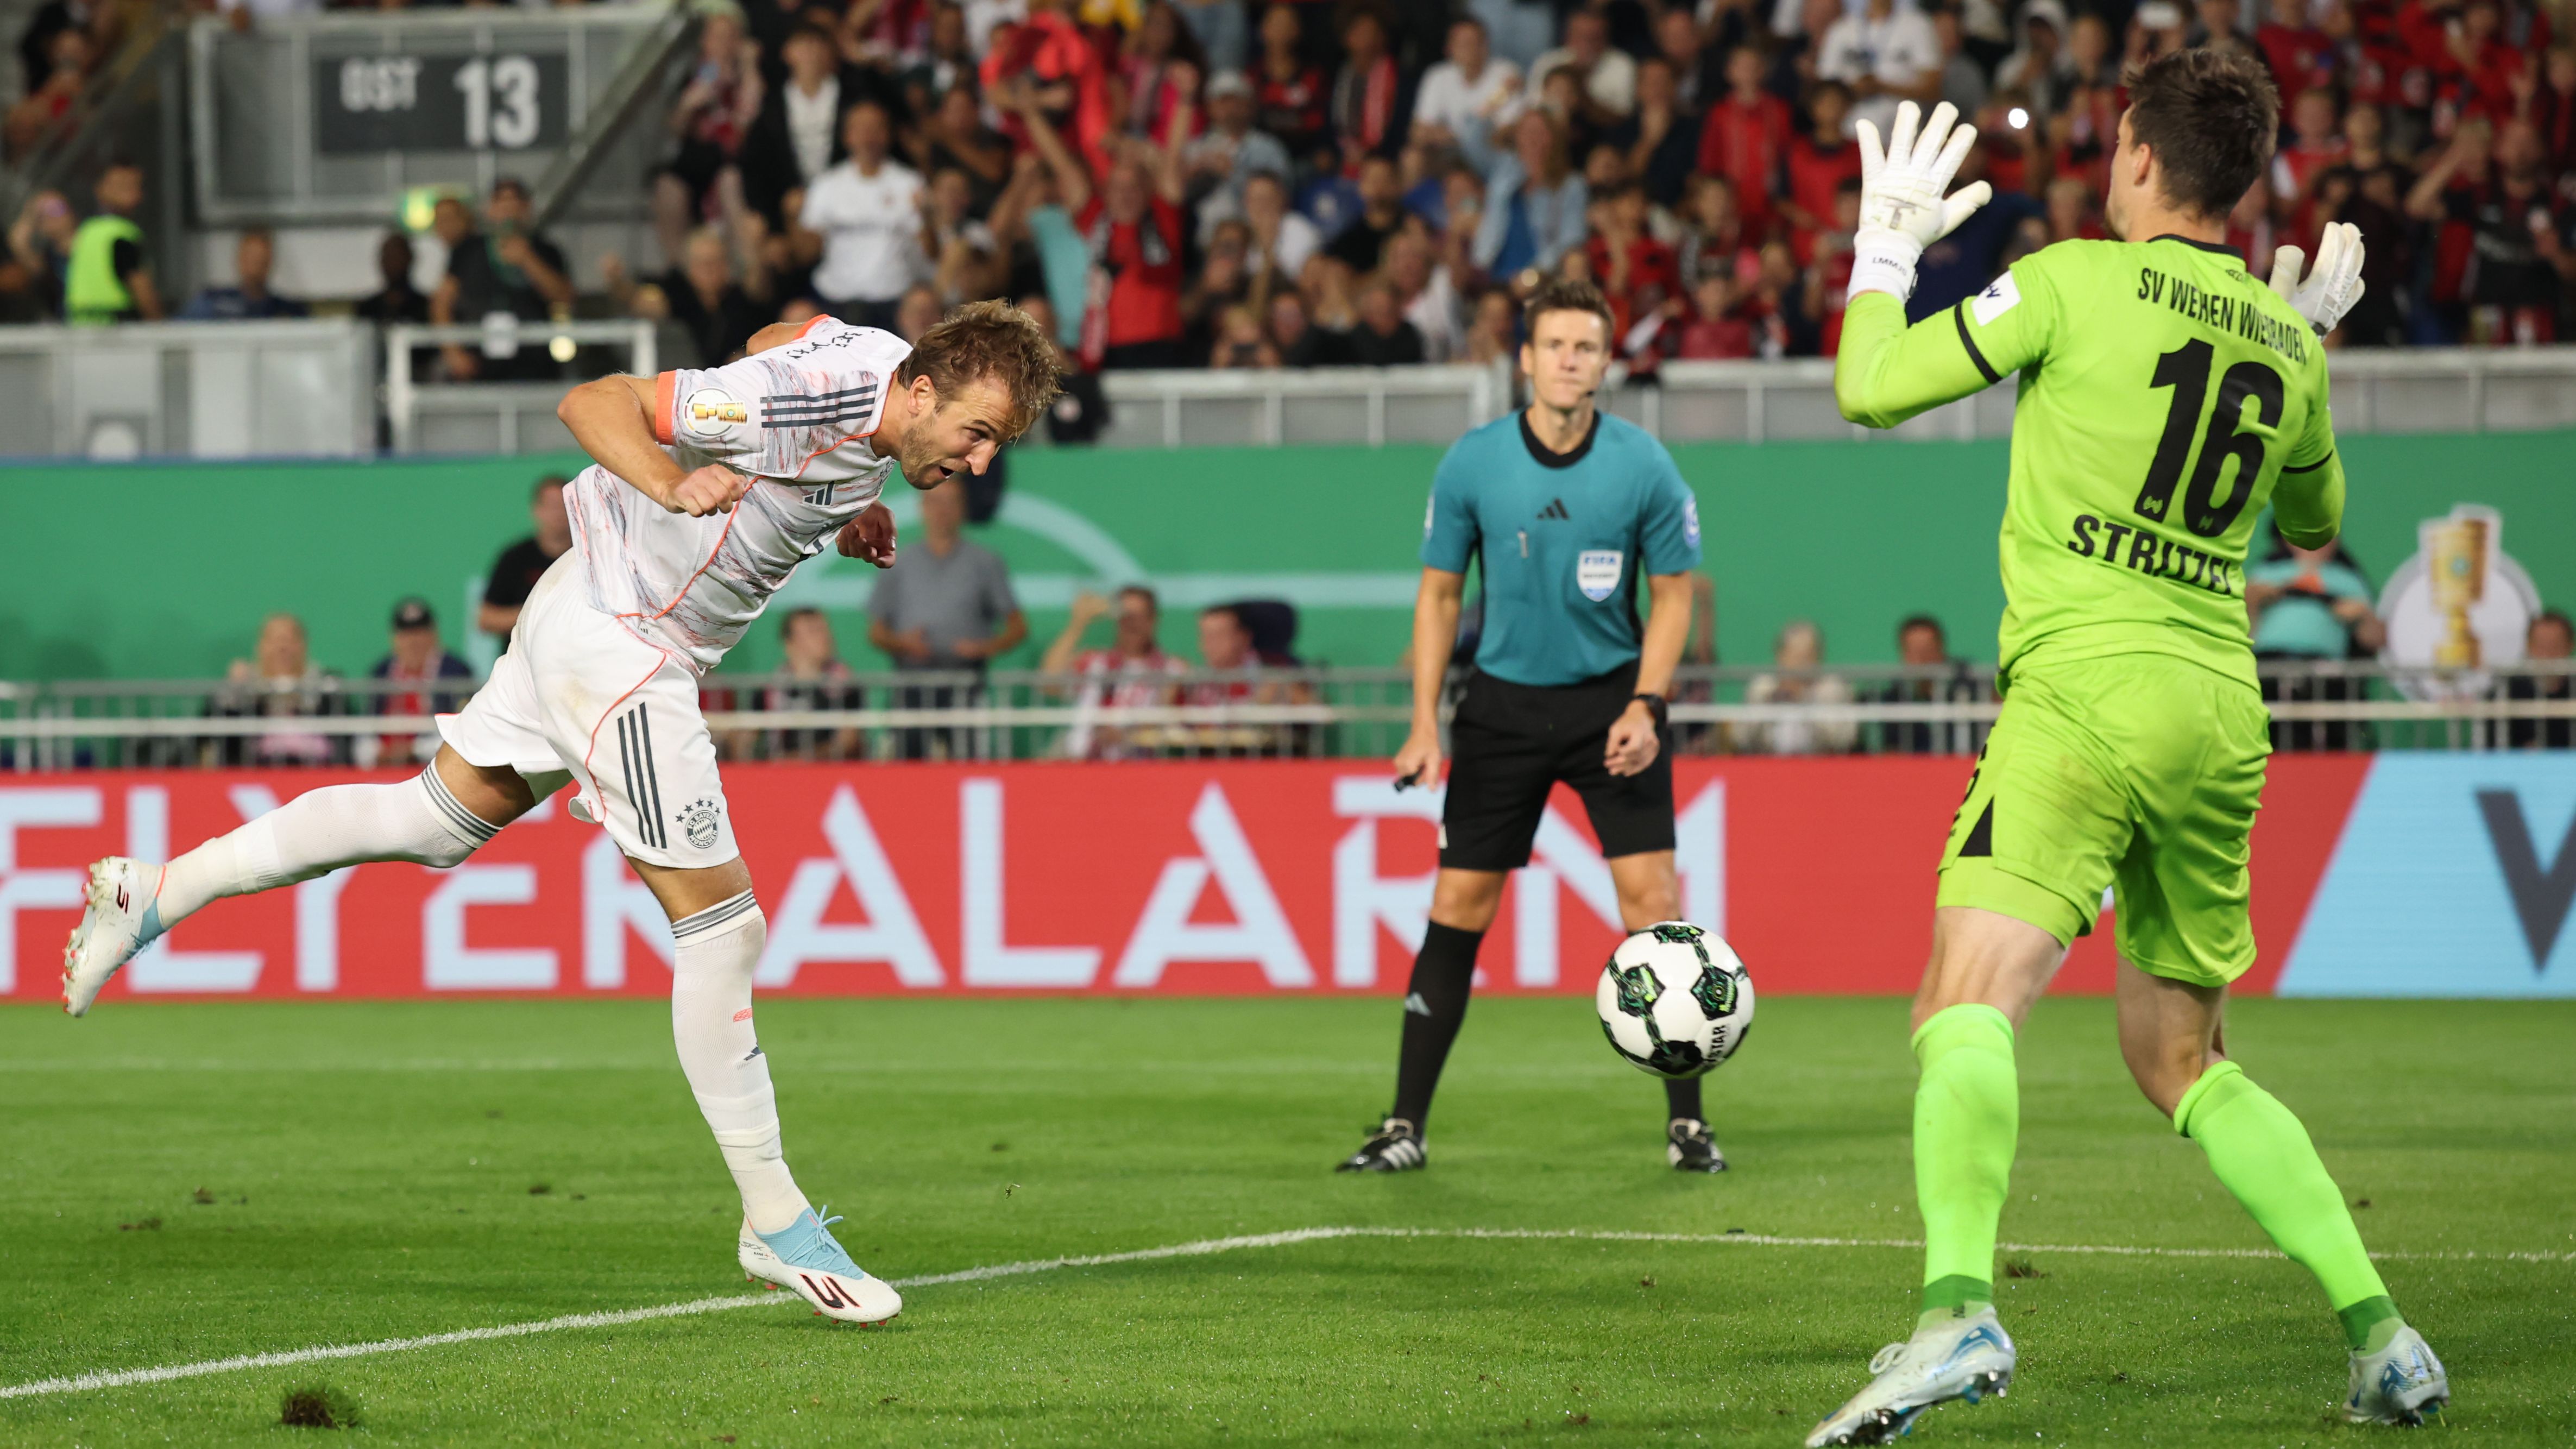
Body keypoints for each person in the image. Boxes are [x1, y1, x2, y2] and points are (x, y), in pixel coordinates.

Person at [63, 301, 1062, 1328]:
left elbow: (782, 329)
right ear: (925, 390)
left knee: (429, 821)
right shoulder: (814, 395)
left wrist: (836, 504)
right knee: (725, 927)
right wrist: (675, 478)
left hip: (581, 599)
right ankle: (775, 1218)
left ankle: (157, 890)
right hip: (624, 643)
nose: (982, 462)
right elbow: (597, 400)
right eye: (977, 433)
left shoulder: (874, 375)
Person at [1812, 60, 2444, 1442]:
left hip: (2083, 689)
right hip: (2218, 714)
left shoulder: (2068, 281)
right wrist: (2299, 343)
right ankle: (2379, 1333)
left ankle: (1956, 1306)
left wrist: (1883, 248)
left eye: (2115, 149)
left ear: (2147, 164)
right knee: (2180, 1057)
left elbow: (1867, 387)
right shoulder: (2281, 343)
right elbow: (2313, 527)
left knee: (1961, 1002)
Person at [1339, 276, 1713, 1178]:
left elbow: (1673, 598)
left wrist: (1647, 705)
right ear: (1524, 359)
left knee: (1654, 909)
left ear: (1603, 363)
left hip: (1609, 706)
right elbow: (1438, 596)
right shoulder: (1472, 462)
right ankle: (1403, 1125)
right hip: (1501, 708)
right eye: (1553, 346)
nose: (1567, 360)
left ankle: (1688, 1125)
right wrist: (1422, 721)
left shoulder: (1642, 464)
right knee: (1456, 909)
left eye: (1584, 347)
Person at [866, 476, 1027, 758]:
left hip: (965, 688)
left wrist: (983, 648)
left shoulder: (985, 563)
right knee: (907, 777)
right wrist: (903, 643)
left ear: (963, 509)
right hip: (911, 690)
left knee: (966, 769)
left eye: (951, 503)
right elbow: (876, 632)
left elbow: (1017, 628)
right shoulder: (898, 562)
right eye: (936, 503)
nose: (943, 512)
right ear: (923, 508)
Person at [794, 101, 926, 331]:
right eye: (861, 129)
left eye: (876, 129)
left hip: (893, 301)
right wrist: (792, 220)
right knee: (796, 315)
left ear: (888, 135)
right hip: (834, 300)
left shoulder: (910, 184)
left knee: (922, 306)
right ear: (847, 136)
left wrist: (930, 218)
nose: (869, 137)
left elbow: (929, 252)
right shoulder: (826, 185)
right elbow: (805, 253)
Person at [2245, 531, 2382, 751]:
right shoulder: (2267, 573)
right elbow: (2243, 625)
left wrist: (2363, 615)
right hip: (2267, 670)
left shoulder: (2348, 580)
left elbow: (2375, 640)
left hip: (2324, 676)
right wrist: (2253, 598)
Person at [431, 180, 575, 381]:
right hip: (478, 364)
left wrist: (528, 260)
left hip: (533, 364)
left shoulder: (546, 251)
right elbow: (441, 304)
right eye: (502, 203)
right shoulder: (468, 250)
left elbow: (563, 297)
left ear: (527, 209)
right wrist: (452, 352)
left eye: (515, 203)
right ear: (490, 209)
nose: (508, 211)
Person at [1043, 585, 1186, 759]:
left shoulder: (1171, 669)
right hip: (1083, 765)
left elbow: (1165, 718)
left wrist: (1127, 736)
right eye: (1125, 617)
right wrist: (1078, 622)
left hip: (1137, 769)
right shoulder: (1095, 663)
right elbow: (1049, 681)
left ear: (1152, 620)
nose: (1131, 624)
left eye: (1137, 617)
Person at [206, 613, 342, 767]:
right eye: (275, 640)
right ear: (261, 646)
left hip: (316, 769)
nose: (282, 648)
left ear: (303, 645)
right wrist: (234, 689)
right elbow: (221, 736)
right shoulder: (245, 686)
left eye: (289, 640)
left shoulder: (324, 684)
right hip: (256, 769)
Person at [745, 606, 864, 761]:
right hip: (778, 776)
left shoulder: (845, 687)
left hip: (829, 775)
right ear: (790, 643)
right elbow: (745, 744)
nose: (825, 637)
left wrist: (798, 761)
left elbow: (848, 742)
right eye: (813, 631)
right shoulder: (769, 692)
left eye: (825, 630)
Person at [367, 597, 473, 767]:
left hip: (437, 765)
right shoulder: (382, 671)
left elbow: (462, 730)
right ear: (394, 638)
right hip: (385, 765)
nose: (413, 641)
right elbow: (367, 727)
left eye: (420, 632)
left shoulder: (456, 671)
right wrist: (381, 750)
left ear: (434, 634)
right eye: (406, 633)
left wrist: (416, 749)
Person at [477, 475, 574, 640]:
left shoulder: (589, 557)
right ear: (537, 510)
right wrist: (539, 614)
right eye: (552, 506)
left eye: (564, 505)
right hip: (524, 662)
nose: (559, 513)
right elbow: (486, 619)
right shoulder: (515, 559)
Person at [1741, 619, 1857, 754]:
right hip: (1768, 764)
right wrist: (1767, 705)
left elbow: (1843, 739)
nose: (1801, 665)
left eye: (1807, 657)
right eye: (1795, 657)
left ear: (1819, 658)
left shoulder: (1833, 688)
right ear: (1780, 656)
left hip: (1821, 765)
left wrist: (1805, 700)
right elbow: (1742, 739)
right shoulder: (1761, 687)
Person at [64, 161, 159, 325]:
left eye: (134, 185)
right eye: (121, 185)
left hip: (81, 329)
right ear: (100, 188)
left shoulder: (86, 231)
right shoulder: (122, 234)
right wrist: (162, 329)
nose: (129, 192)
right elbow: (143, 292)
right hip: (119, 331)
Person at [1875, 613, 1984, 755]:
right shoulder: (1894, 700)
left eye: (1927, 650)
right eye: (1914, 652)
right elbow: (1892, 752)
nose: (1921, 660)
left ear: (1941, 649)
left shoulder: (1973, 691)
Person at [179, 227, 306, 321]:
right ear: (239, 259)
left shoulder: (288, 310)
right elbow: (174, 332)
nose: (256, 267)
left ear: (270, 262)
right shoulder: (213, 302)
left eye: (262, 261)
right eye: (251, 259)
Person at [2505, 608, 2572, 749]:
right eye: (2541, 646)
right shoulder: (2506, 693)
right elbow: (2490, 751)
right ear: (2528, 647)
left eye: (2555, 646)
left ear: (2570, 647)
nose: (2548, 655)